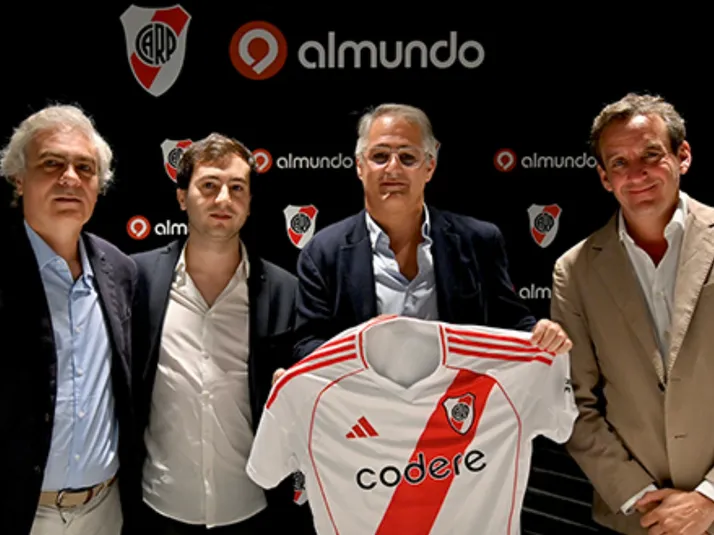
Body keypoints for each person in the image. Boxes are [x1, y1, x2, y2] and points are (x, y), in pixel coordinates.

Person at [291, 103, 572, 362]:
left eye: (407, 157)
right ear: (359, 166)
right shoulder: (322, 253)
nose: (393, 168)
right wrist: (363, 346)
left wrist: (542, 333)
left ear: (429, 167)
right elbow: (307, 344)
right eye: (379, 156)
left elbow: (512, 324)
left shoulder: (480, 242)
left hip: (459, 397)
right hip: (364, 398)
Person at [551, 93, 714, 535]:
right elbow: (572, 402)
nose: (636, 173)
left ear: (683, 156)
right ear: (604, 177)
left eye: (651, 155)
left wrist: (708, 497)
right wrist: (641, 498)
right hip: (638, 519)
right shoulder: (575, 271)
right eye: (619, 162)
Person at [131, 133, 309, 534]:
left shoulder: (285, 292)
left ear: (250, 202)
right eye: (209, 185)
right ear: (182, 197)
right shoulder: (138, 279)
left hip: (253, 506)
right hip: (158, 504)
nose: (223, 199)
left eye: (237, 188)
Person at [0, 104, 141, 535]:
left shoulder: (121, 271)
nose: (70, 178)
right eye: (52, 163)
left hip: (105, 509)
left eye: (85, 167)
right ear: (19, 178)